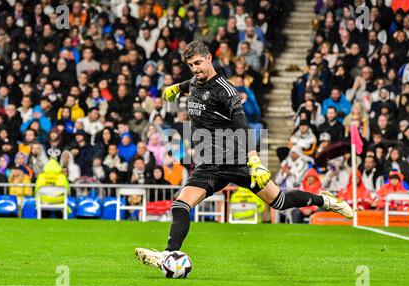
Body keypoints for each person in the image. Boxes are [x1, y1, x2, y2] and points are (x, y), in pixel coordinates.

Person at [135, 40, 354, 269]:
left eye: (198, 63)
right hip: (208, 164)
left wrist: (254, 159)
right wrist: (175, 88)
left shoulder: (225, 89)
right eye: (191, 65)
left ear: (209, 58)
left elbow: (241, 123)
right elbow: (190, 83)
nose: (196, 69)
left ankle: (325, 200)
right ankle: (168, 255)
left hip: (236, 160)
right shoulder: (195, 81)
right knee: (180, 205)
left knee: (279, 201)